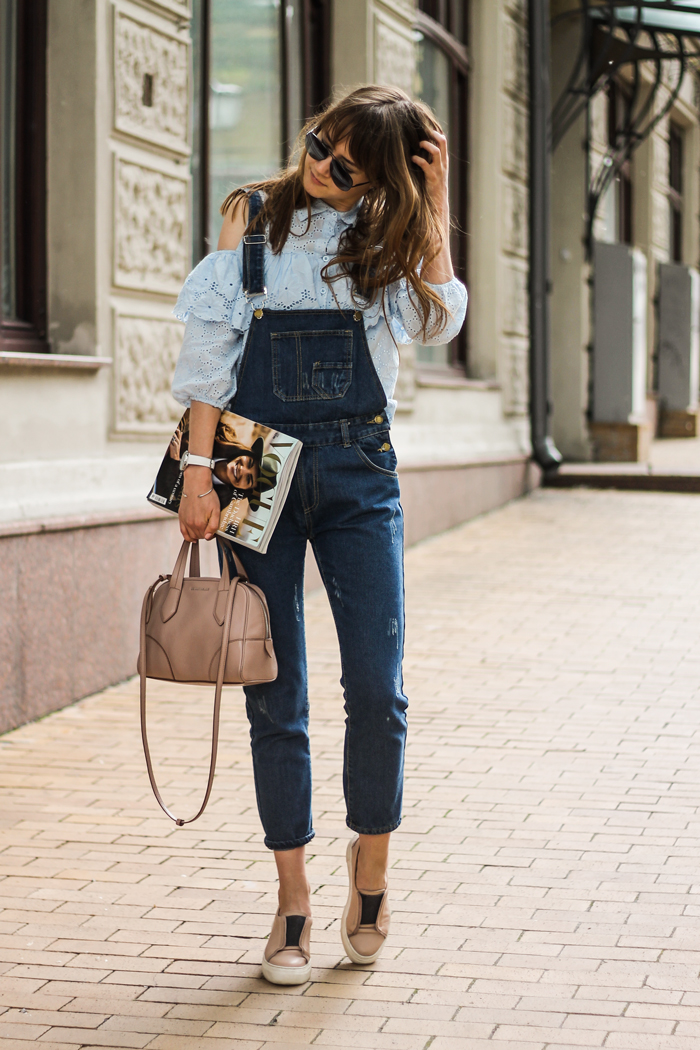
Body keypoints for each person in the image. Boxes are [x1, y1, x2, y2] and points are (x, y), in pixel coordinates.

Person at [170, 85, 467, 985]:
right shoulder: (249, 217)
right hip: (250, 462)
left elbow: (435, 321)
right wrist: (195, 472)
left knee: (379, 690)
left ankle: (368, 870)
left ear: (379, 177)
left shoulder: (386, 234)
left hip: (357, 469)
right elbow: (209, 360)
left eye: (347, 164)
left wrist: (434, 211)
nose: (325, 166)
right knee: (277, 689)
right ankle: (292, 898)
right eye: (320, 144)